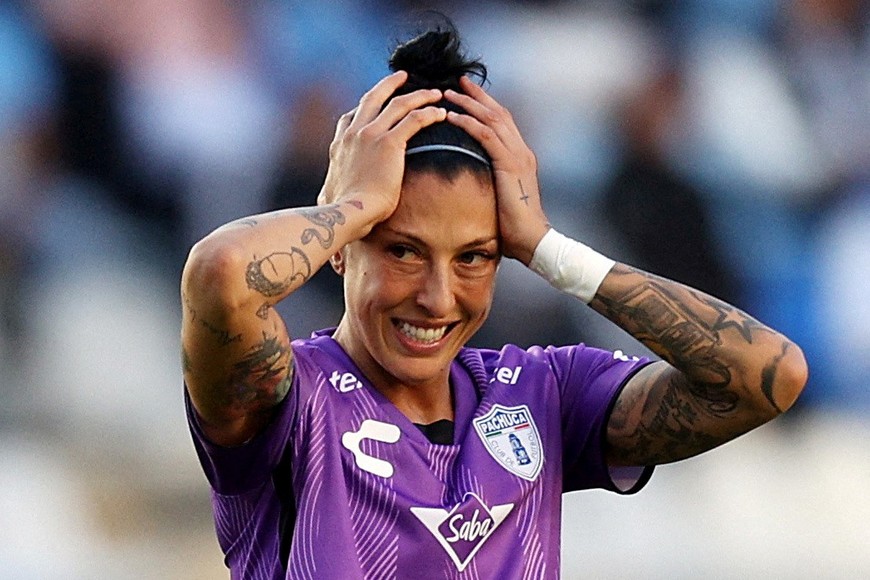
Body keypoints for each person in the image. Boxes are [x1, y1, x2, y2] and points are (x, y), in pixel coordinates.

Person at [181, 20, 808, 579]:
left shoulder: (543, 393)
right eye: (403, 250)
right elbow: (220, 275)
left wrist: (547, 247)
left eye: (474, 257)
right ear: (342, 246)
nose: (437, 297)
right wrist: (352, 204)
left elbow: (768, 376)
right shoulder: (288, 401)